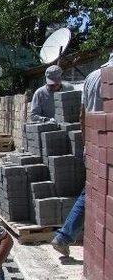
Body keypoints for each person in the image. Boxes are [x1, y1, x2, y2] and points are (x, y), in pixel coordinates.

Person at [51, 53, 113, 256]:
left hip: (95, 146)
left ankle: (65, 237)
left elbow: (82, 114)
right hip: (109, 148)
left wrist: (87, 146)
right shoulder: (109, 76)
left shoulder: (92, 76)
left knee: (92, 192)